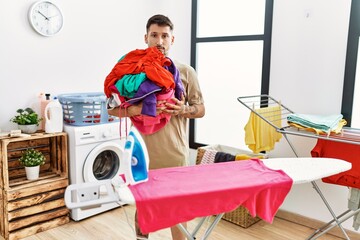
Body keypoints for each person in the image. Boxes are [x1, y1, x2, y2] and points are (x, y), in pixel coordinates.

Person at [107, 14, 205, 240]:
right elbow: (110, 108)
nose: (159, 41)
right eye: (154, 35)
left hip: (175, 155)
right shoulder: (131, 70)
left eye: (164, 36)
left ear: (172, 39)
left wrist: (182, 110)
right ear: (146, 37)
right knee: (143, 210)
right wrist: (136, 109)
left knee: (177, 213)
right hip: (141, 155)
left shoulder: (186, 72)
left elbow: (200, 109)